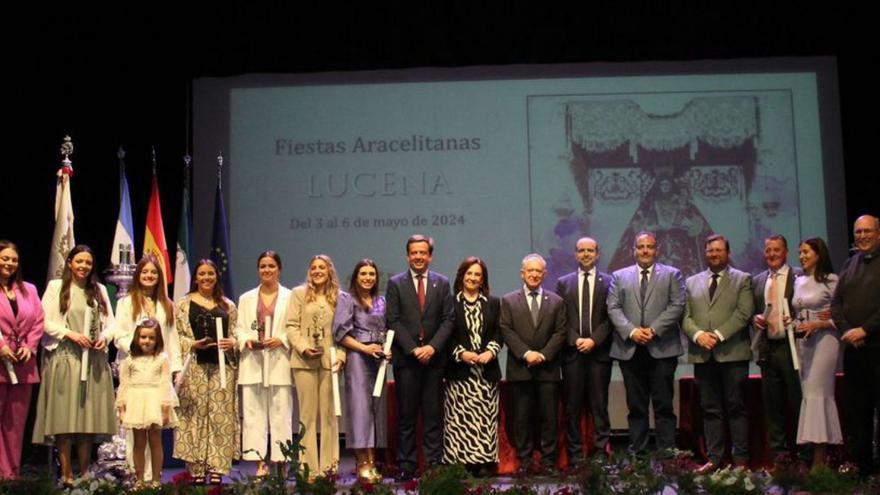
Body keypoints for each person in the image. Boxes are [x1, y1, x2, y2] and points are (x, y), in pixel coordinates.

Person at [32, 245, 116, 484]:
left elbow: (111, 323)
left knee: (87, 418)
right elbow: (44, 320)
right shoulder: (57, 287)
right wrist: (70, 333)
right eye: (79, 261)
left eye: (88, 262)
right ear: (70, 262)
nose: (83, 266)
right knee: (65, 417)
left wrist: (104, 338)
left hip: (94, 361)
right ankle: (66, 473)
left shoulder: (98, 289)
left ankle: (85, 473)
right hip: (66, 358)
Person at [607, 231, 685, 457]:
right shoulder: (619, 276)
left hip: (662, 348)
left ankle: (668, 453)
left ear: (657, 249)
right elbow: (613, 307)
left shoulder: (672, 274)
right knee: (636, 406)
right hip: (630, 350)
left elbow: (677, 305)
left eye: (649, 246)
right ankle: (637, 454)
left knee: (663, 405)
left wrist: (653, 330)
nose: (645, 251)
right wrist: (631, 332)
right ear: (634, 250)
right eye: (641, 247)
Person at [682, 234, 754, 472]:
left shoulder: (742, 279)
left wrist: (718, 335)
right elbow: (685, 317)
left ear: (728, 252)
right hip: (702, 354)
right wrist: (699, 336)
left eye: (719, 250)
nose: (714, 254)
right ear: (705, 253)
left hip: (733, 354)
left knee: (736, 407)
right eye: (710, 250)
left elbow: (744, 314)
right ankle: (715, 459)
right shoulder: (691, 281)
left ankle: (741, 461)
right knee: (710, 409)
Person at [385, 235, 454, 481]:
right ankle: (406, 464)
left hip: (434, 361)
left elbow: (449, 319)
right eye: (414, 253)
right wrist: (414, 349)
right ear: (407, 256)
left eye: (422, 252)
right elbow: (392, 320)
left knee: (433, 415)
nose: (418, 257)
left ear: (430, 256)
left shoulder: (442, 283)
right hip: (407, 361)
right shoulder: (395, 283)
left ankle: (434, 463)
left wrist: (432, 347)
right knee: (407, 416)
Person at [112, 254, 181, 481]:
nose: (149, 276)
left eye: (153, 272)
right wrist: (135, 350)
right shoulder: (126, 302)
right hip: (135, 370)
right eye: (145, 272)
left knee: (155, 432)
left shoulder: (167, 304)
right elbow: (119, 334)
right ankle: (137, 475)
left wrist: (176, 368)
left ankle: (155, 478)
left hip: (158, 371)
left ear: (159, 276)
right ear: (138, 275)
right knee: (136, 431)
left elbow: (172, 339)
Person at [173, 259, 239, 485]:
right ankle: (196, 467)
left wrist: (233, 343)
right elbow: (176, 336)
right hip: (194, 368)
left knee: (221, 418)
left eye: (210, 273)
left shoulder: (228, 306)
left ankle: (218, 466)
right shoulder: (183, 304)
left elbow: (235, 335)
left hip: (222, 370)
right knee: (194, 417)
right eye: (202, 274)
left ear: (216, 277)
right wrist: (192, 344)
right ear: (195, 277)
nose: (206, 278)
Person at [500, 253, 566, 475]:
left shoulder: (556, 302)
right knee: (522, 419)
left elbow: (560, 332)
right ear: (522, 273)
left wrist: (543, 355)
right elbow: (506, 330)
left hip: (548, 370)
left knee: (549, 418)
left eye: (539, 271)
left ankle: (548, 461)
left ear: (545, 274)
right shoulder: (508, 301)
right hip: (520, 369)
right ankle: (525, 461)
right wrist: (526, 353)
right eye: (531, 271)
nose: (534, 275)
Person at [285, 254, 351, 476]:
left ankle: (329, 468)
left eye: (322, 267)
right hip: (304, 361)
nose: (317, 271)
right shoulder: (298, 294)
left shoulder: (340, 298)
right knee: (307, 415)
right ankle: (309, 469)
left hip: (330, 360)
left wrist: (341, 356)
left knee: (329, 415)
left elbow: (344, 332)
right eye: (313, 267)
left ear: (330, 270)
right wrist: (304, 347)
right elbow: (291, 326)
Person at [555, 237, 613, 466]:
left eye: (590, 250)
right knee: (572, 407)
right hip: (572, 354)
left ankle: (600, 452)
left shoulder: (609, 282)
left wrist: (593, 341)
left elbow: (611, 318)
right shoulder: (563, 283)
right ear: (575, 254)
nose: (586, 254)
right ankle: (575, 454)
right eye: (582, 251)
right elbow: (560, 318)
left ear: (597, 254)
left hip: (599, 355)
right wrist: (576, 339)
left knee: (600, 406)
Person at [442, 257, 502, 476]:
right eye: (469, 273)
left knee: (485, 420)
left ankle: (484, 463)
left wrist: (490, 352)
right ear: (462, 276)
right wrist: (461, 353)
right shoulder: (450, 302)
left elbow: (498, 332)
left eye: (477, 274)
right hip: (460, 373)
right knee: (459, 421)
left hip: (486, 373)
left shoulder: (493, 303)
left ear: (483, 279)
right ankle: (461, 464)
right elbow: (446, 335)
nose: (473, 278)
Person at [236, 251, 293, 476]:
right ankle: (260, 461)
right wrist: (246, 341)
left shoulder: (291, 296)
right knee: (253, 413)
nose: (266, 270)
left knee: (281, 413)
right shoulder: (246, 298)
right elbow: (240, 328)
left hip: (280, 361)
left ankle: (281, 460)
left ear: (279, 269)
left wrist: (283, 339)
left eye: (271, 266)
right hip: (254, 361)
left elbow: (294, 326)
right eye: (262, 266)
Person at [832, 214, 880, 476]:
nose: (862, 236)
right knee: (858, 412)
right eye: (858, 232)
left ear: (879, 233)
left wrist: (865, 329)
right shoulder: (849, 264)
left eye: (867, 231)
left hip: (877, 348)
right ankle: (862, 468)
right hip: (855, 351)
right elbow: (836, 304)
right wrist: (848, 330)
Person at [751, 234, 803, 463]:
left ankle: (806, 455)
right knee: (773, 407)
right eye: (768, 250)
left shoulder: (799, 276)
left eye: (777, 250)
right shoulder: (759, 280)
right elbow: (753, 310)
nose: (772, 254)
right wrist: (755, 319)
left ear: (786, 252)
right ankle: (779, 458)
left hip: (794, 348)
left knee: (799, 402)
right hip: (768, 349)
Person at [339, 259, 389, 483]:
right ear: (356, 277)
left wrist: (387, 351)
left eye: (372, 274)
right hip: (358, 358)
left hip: (377, 360)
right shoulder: (347, 300)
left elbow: (387, 329)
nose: (368, 277)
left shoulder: (381, 301)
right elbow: (341, 333)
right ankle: (362, 463)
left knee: (375, 410)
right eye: (363, 274)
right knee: (359, 411)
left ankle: (372, 459)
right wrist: (364, 349)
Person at [792, 237, 840, 469]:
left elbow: (842, 314)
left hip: (824, 342)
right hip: (804, 344)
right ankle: (816, 458)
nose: (801, 256)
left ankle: (820, 461)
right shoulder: (798, 280)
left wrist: (819, 324)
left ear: (818, 254)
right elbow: (799, 312)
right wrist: (791, 322)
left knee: (819, 395)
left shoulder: (831, 280)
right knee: (809, 397)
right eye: (800, 252)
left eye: (806, 252)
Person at [116, 318, 178, 488]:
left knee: (155, 440)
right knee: (139, 441)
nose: (147, 341)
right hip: (136, 401)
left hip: (155, 401)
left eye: (151, 338)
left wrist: (165, 408)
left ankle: (157, 479)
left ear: (157, 340)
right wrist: (122, 409)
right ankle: (139, 479)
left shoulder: (162, 358)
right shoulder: (129, 360)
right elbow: (124, 385)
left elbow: (165, 382)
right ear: (137, 338)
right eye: (143, 337)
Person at [0, 240, 44, 479]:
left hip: (23, 366)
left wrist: (30, 346)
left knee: (15, 426)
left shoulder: (29, 289)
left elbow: (38, 321)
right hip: (0, 362)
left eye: (13, 259)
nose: (9, 263)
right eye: (5, 258)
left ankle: (10, 474)